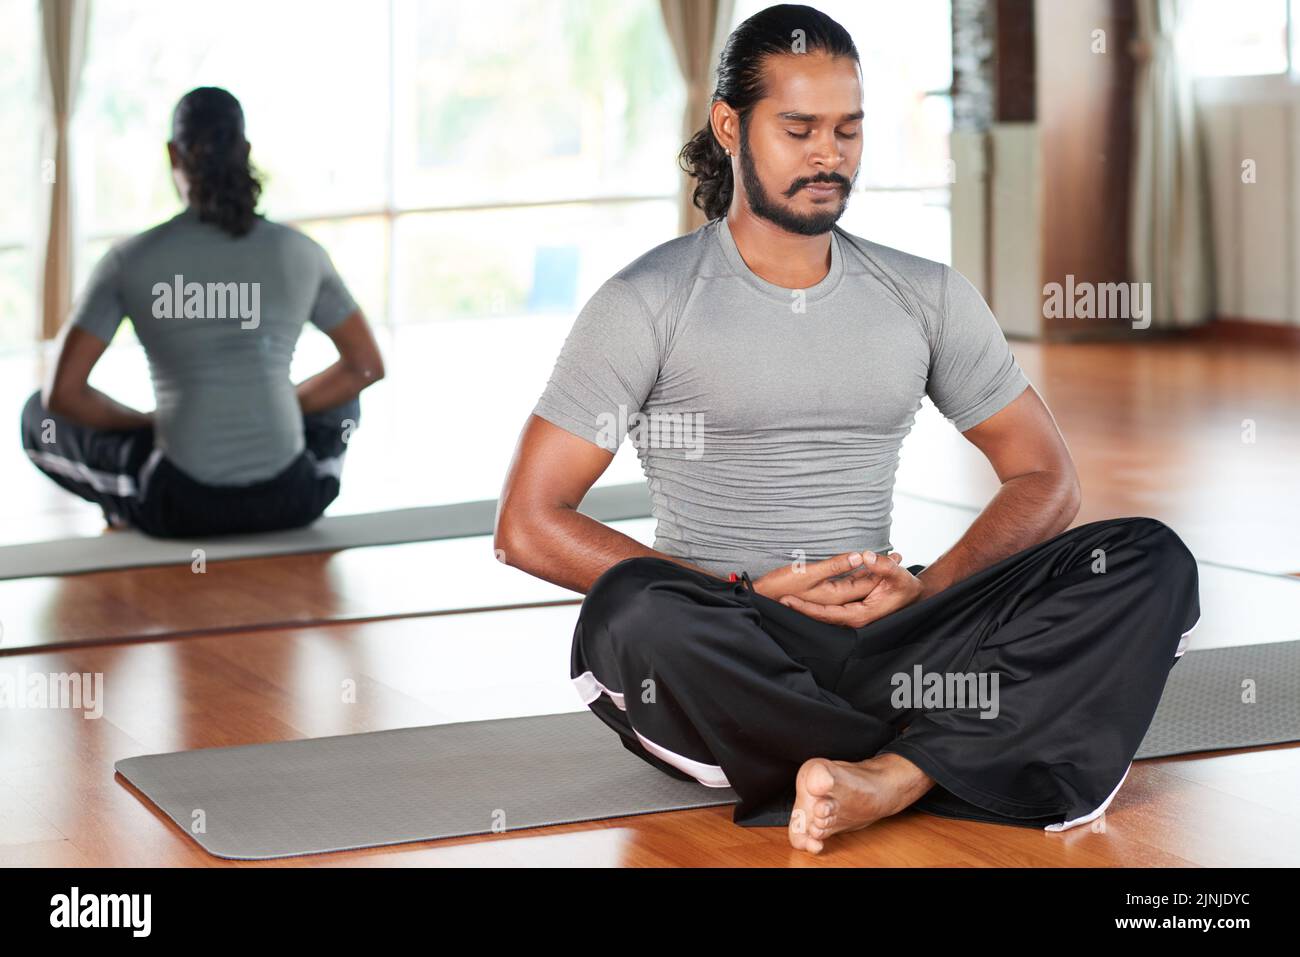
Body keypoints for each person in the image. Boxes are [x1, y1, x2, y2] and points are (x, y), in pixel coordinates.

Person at [495, 5, 1200, 854]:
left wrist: (930, 589)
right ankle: (963, 746)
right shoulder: (646, 301)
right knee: (632, 609)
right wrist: (741, 593)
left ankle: (891, 774)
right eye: (799, 129)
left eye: (848, 130)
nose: (829, 154)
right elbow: (528, 524)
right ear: (730, 126)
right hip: (739, 644)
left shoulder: (924, 293)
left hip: (898, 641)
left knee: (1145, 556)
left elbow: (1046, 477)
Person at [21, 87, 384, 537]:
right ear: (245, 151)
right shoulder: (301, 252)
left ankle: (126, 500)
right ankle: (309, 466)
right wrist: (284, 406)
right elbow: (366, 366)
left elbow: (63, 395)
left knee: (37, 416)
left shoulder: (130, 260)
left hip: (181, 507)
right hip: (292, 499)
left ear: (173, 154)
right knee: (342, 396)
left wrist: (148, 425)